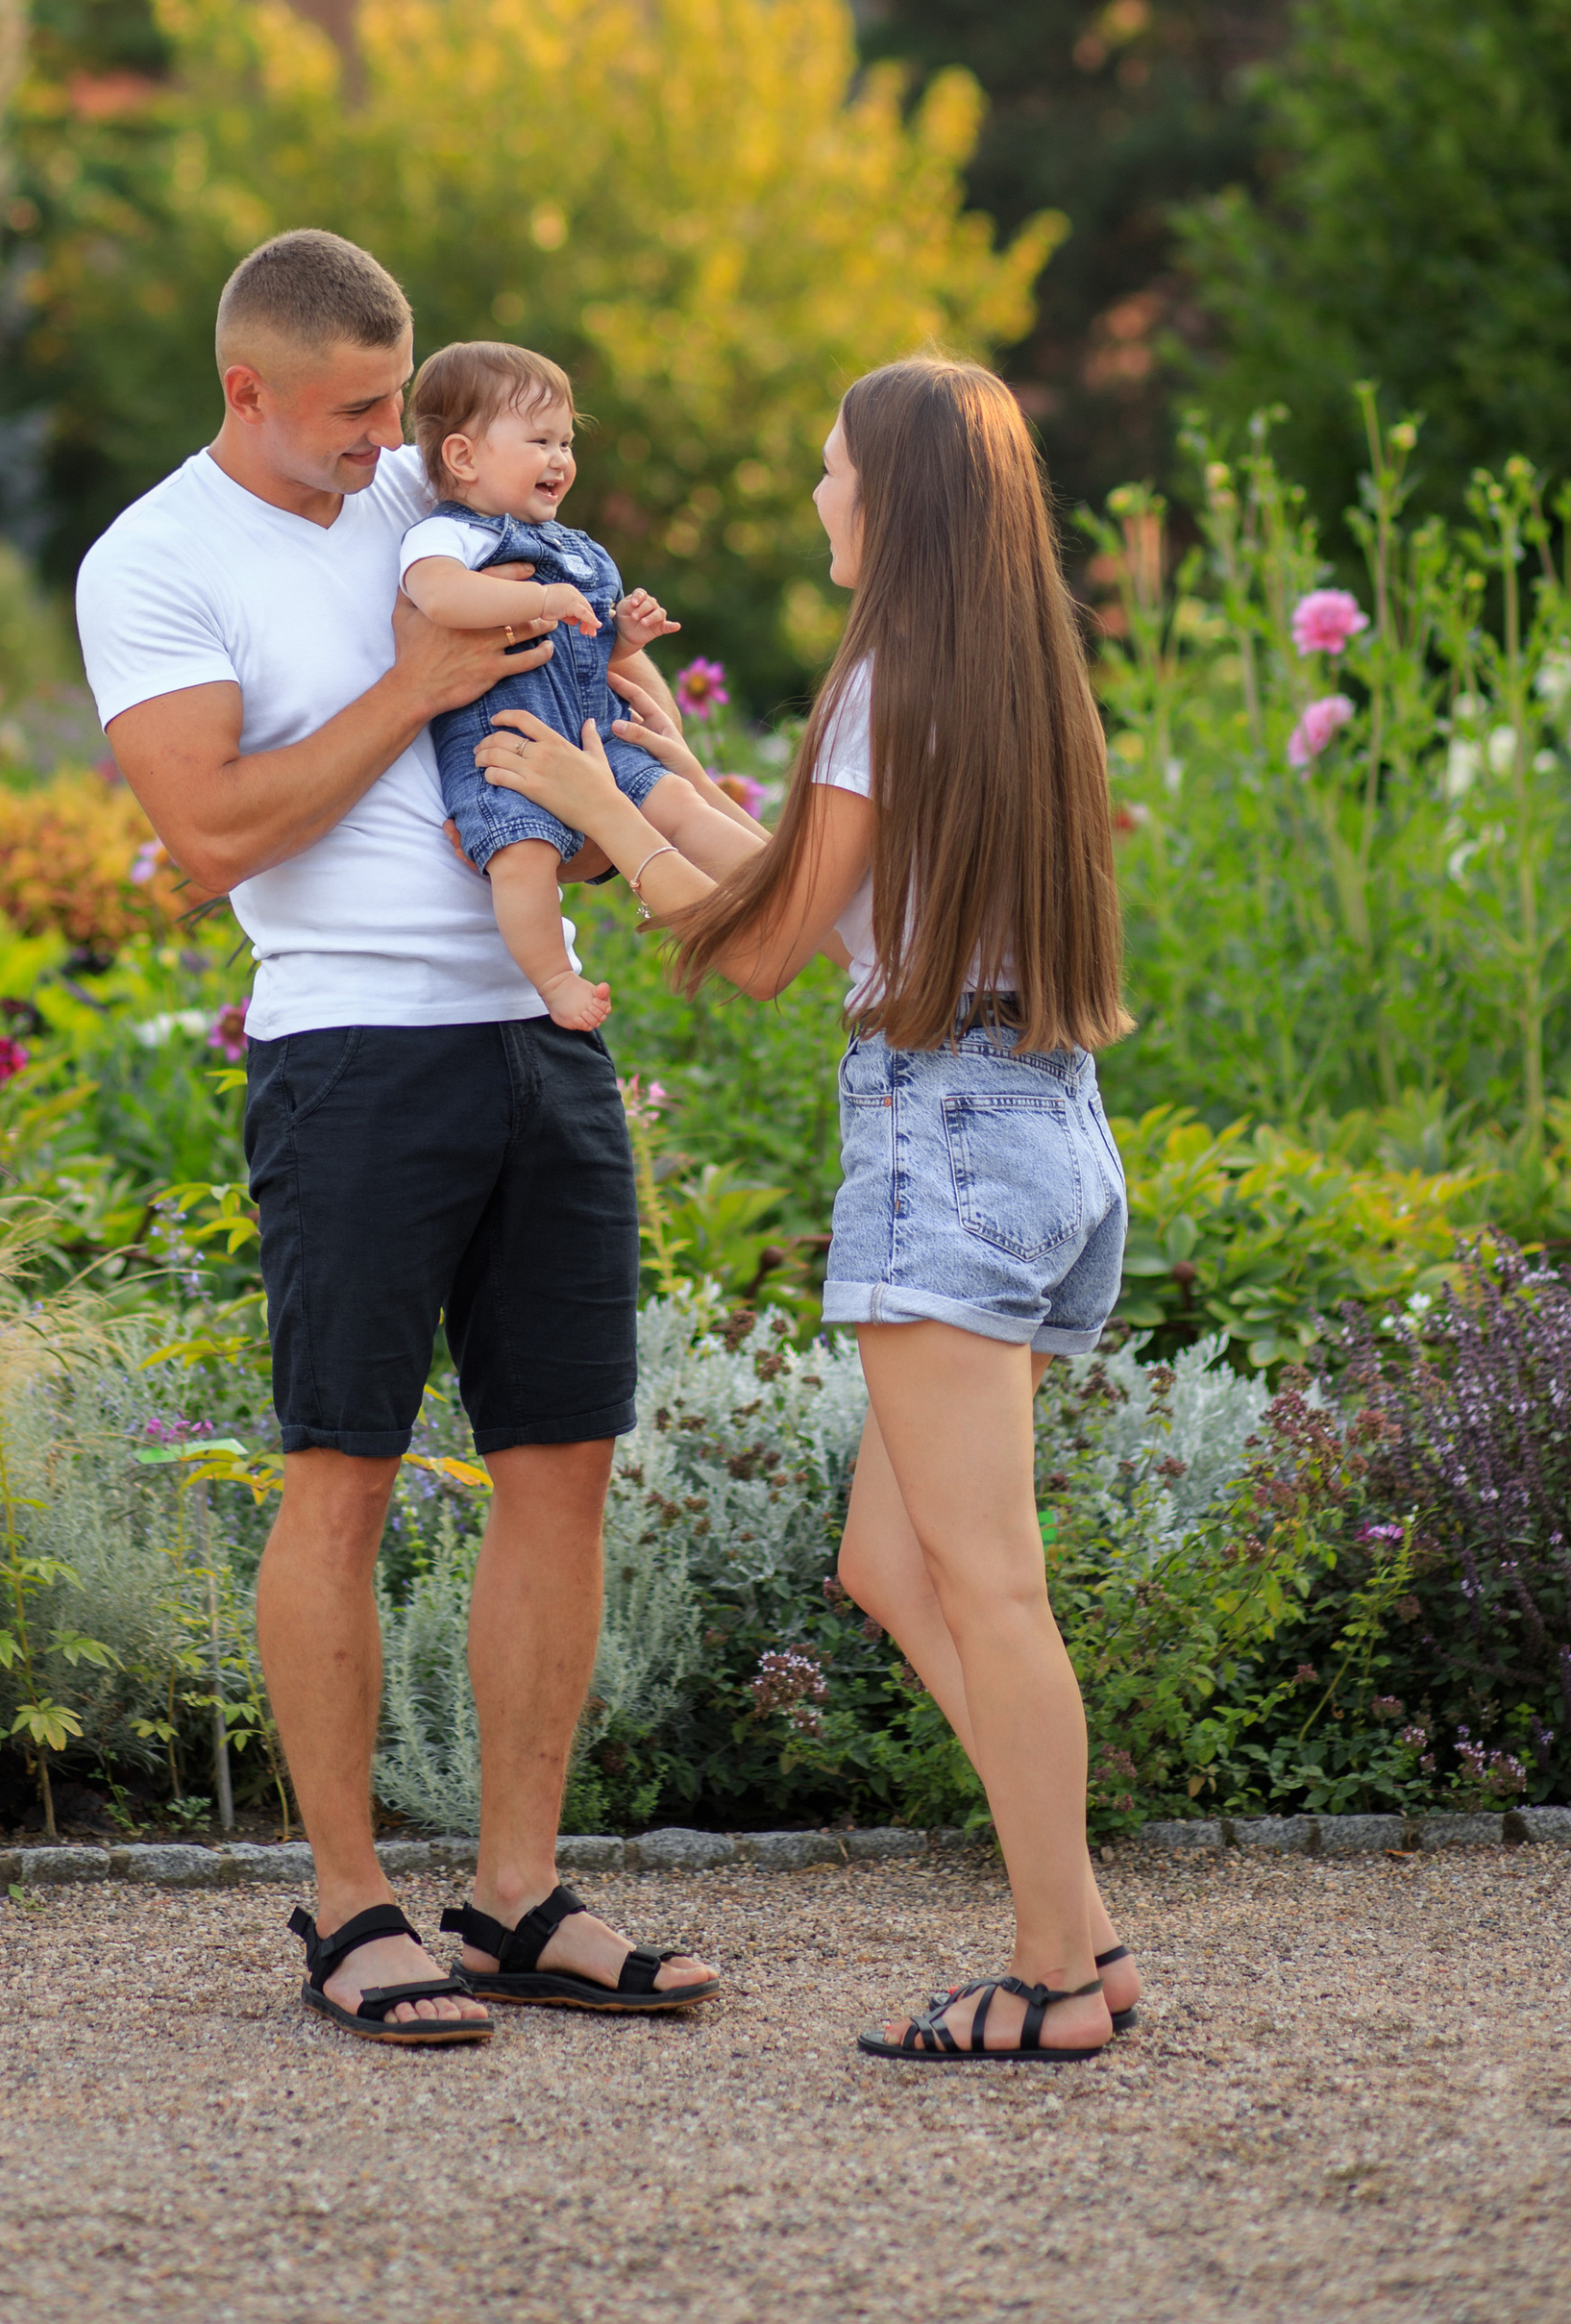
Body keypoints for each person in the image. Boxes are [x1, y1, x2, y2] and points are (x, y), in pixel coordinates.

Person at [73, 232, 756, 2047]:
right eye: (356, 410)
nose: (390, 439)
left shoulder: (430, 496)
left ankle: (520, 1895)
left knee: (563, 1466)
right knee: (345, 1476)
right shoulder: (153, 561)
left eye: (402, 408)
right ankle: (349, 1906)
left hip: (540, 1035)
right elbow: (212, 836)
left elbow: (552, 721)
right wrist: (410, 696)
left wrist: (626, 771)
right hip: (352, 1053)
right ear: (248, 391)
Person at [471, 354, 1140, 2064]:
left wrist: (597, 804)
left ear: (893, 496)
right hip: (1044, 1126)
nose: (821, 499)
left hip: (946, 1138)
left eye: (834, 473)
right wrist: (675, 775)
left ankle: (1063, 1972)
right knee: (892, 1564)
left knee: (988, 1584)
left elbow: (763, 955)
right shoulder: (997, 672)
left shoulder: (881, 682)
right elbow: (828, 897)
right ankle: (1080, 1930)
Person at [397, 338, 723, 1031]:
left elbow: (593, 643)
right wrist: (539, 603)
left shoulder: (578, 547)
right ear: (463, 457)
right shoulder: (450, 537)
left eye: (567, 442)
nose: (561, 459)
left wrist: (627, 635)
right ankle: (554, 979)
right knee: (522, 859)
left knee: (680, 801)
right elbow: (441, 598)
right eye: (540, 440)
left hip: (595, 731)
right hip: (506, 748)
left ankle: (771, 884)